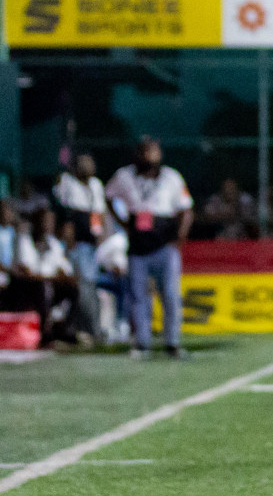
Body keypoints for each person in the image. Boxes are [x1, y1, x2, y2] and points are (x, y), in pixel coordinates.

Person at [105, 136, 193, 359]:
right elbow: (108, 197)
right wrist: (124, 222)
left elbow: (186, 209)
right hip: (138, 246)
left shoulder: (171, 177)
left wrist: (180, 238)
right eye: (144, 151)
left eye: (152, 151)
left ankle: (172, 342)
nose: (148, 156)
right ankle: (142, 343)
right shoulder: (124, 176)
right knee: (138, 296)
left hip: (165, 244)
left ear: (159, 154)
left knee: (171, 295)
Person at [54, 153, 107, 341]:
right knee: (82, 286)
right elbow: (67, 214)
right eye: (83, 164)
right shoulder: (68, 182)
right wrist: (69, 242)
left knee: (91, 286)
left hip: (92, 243)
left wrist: (102, 239)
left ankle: (88, 328)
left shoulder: (96, 185)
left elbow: (99, 215)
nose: (87, 167)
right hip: (76, 242)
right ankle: (87, 329)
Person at [14, 210, 80, 344]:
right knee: (42, 287)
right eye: (45, 221)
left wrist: (64, 277)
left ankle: (64, 330)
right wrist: (49, 278)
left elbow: (63, 269)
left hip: (51, 284)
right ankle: (44, 334)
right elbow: (27, 272)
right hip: (29, 288)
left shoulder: (53, 243)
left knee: (72, 289)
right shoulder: (25, 240)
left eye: (50, 221)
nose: (47, 225)